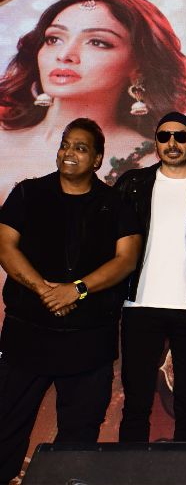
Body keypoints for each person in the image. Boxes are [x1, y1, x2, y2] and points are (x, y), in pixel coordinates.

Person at [0, 118, 140, 483]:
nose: (69, 153)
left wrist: (75, 289)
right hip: (27, 336)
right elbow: (5, 246)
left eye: (80, 147)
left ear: (97, 159)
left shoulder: (116, 204)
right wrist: (45, 290)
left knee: (78, 442)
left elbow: (126, 260)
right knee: (5, 427)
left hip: (89, 341)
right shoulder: (28, 193)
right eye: (65, 145)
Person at [0, 0, 186, 201]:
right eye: (53, 39)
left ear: (138, 66)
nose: (64, 55)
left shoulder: (151, 165)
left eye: (97, 42)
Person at [115, 112, 186, 443]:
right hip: (139, 305)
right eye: (164, 136)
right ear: (156, 141)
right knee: (136, 402)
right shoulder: (133, 184)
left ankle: (185, 469)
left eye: (180, 136)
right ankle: (129, 469)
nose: (172, 143)